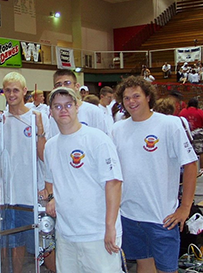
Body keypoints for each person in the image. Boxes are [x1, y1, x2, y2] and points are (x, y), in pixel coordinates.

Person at [111, 76, 197, 273]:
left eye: (136, 96)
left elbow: (191, 165)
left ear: (148, 97)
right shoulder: (117, 129)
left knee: (167, 269)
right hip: (129, 214)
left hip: (161, 216)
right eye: (126, 98)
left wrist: (185, 207)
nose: (131, 101)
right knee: (143, 264)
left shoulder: (169, 125)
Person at [44, 87, 123, 272]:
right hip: (66, 235)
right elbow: (52, 183)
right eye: (57, 106)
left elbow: (113, 183)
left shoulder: (97, 139)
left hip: (97, 234)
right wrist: (52, 199)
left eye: (68, 105)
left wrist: (110, 227)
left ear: (77, 107)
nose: (63, 110)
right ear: (51, 112)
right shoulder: (50, 146)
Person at [1, 72, 46, 273]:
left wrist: (40, 130)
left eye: (15, 90)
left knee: (38, 245)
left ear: (24, 91)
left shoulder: (36, 117)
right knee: (7, 241)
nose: (12, 94)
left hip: (30, 191)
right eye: (8, 90)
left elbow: (45, 156)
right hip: (6, 192)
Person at [50, 69, 108, 137]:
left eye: (67, 83)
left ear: (77, 86)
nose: (63, 87)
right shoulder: (55, 115)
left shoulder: (94, 111)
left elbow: (103, 139)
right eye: (58, 84)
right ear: (54, 89)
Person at [180, 98, 203, 177]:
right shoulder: (200, 112)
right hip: (198, 133)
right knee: (200, 152)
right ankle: (202, 169)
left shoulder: (183, 112)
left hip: (186, 133)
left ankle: (187, 170)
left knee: (187, 152)